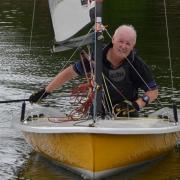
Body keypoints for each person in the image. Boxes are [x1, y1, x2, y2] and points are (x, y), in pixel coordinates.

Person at [29, 25, 158, 117]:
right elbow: (69, 73)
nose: (123, 46)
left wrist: (137, 105)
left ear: (133, 46)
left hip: (126, 114)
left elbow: (153, 91)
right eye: (121, 41)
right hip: (97, 112)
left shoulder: (136, 63)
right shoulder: (96, 57)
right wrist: (45, 92)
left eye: (128, 43)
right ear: (113, 40)